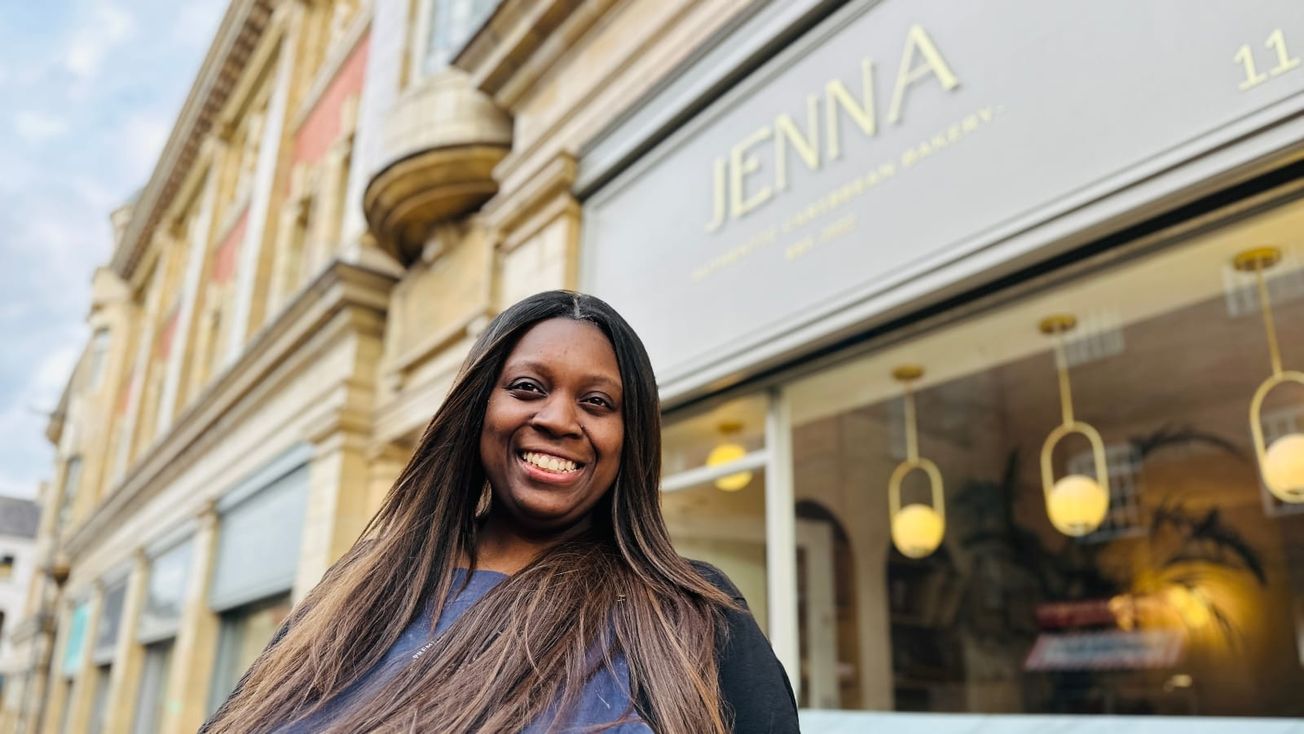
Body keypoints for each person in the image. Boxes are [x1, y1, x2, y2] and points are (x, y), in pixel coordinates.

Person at [201, 290, 799, 733]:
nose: (558, 420)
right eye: (528, 388)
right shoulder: (360, 585)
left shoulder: (689, 616)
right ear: (479, 408)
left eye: (597, 402)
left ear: (631, 437)